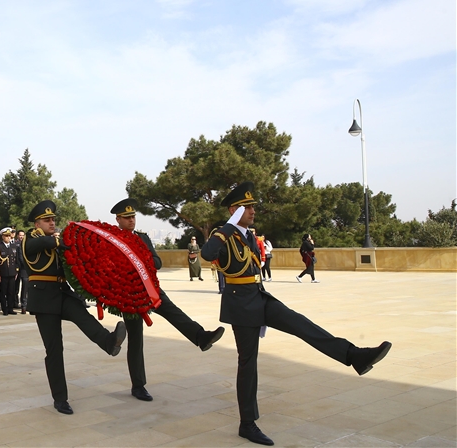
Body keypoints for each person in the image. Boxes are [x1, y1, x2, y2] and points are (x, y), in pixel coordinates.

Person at [201, 182, 392, 446]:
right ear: (234, 210)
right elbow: (207, 253)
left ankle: (354, 355)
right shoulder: (224, 234)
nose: (253, 211)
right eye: (247, 207)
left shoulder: (248, 235)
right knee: (248, 363)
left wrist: (237, 226)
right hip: (241, 305)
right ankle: (247, 424)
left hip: (259, 297)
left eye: (253, 206)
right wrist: (229, 226)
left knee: (301, 324)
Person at [111, 199, 224, 402]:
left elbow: (157, 262)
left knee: (174, 312)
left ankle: (201, 337)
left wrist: (141, 258)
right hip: (129, 294)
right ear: (118, 219)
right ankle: (138, 385)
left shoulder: (143, 238)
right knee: (136, 338)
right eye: (127, 218)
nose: (131, 220)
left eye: (133, 217)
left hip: (150, 288)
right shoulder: (112, 241)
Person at [23, 200, 127, 415]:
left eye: (53, 219)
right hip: (43, 299)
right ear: (37, 224)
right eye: (47, 220)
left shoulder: (54, 241)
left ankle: (109, 343)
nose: (52, 222)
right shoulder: (31, 239)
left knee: (83, 317)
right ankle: (60, 398)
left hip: (62, 293)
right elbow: (36, 246)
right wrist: (58, 240)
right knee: (54, 349)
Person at [0, 227, 19, 316]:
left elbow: (16, 260)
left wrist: (16, 270)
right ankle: (4, 309)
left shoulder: (14, 246)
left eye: (9, 236)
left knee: (11, 292)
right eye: (6, 236)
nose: (8, 237)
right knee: (3, 292)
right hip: (3, 272)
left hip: (12, 272)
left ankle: (10, 308)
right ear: (2, 237)